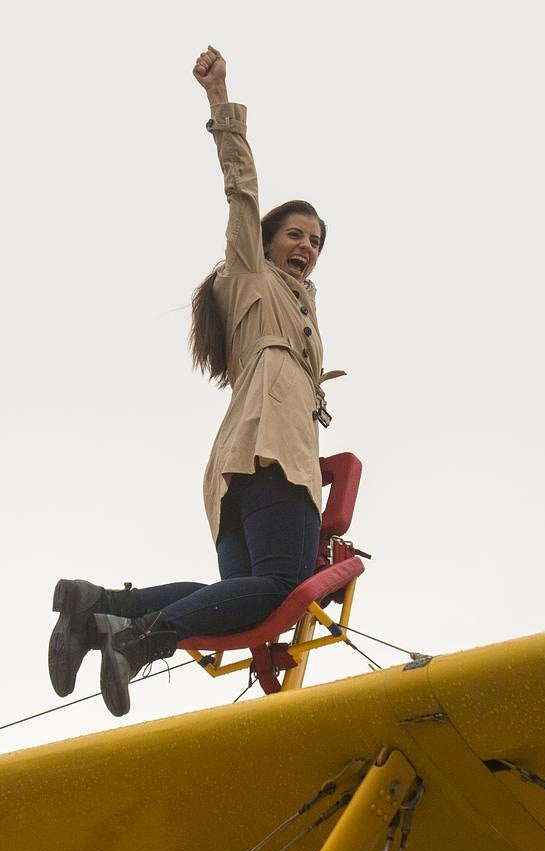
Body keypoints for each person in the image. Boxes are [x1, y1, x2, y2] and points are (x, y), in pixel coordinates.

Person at [47, 46, 338, 717]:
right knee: (283, 585)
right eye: (294, 234)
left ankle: (103, 611)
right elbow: (242, 191)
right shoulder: (251, 278)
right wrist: (220, 103)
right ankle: (139, 639)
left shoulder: (291, 307)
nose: (306, 247)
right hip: (273, 456)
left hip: (237, 467)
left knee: (244, 596)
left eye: (317, 241)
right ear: (263, 243)